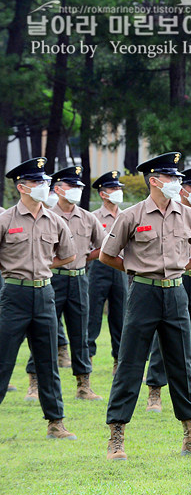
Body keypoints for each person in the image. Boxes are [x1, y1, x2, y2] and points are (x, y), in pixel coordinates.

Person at [100, 152, 191, 461]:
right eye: (172, 178)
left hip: (176, 293)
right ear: (154, 181)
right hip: (143, 293)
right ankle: (116, 436)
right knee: (131, 362)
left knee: (181, 363)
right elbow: (107, 255)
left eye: (177, 178)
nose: (178, 183)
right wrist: (136, 270)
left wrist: (181, 268)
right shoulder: (131, 216)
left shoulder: (189, 215)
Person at [0, 157, 78, 439]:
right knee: (3, 359)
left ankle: (56, 422)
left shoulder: (54, 220)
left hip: (45, 293)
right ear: (22, 187)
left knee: (48, 361)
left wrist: (43, 268)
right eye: (37, 182)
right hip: (14, 294)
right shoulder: (6, 220)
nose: (44, 186)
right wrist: (13, 272)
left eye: (44, 181)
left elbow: (69, 255)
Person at [24, 166, 104, 401]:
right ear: (57, 189)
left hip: (79, 279)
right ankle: (34, 382)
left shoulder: (87, 218)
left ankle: (83, 385)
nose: (77, 190)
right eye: (72, 186)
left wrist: (81, 258)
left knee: (80, 332)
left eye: (79, 186)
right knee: (42, 331)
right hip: (52, 278)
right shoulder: (45, 215)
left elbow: (103, 247)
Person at [144, 166, 191, 412]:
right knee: (162, 335)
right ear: (183, 190)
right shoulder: (171, 213)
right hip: (174, 281)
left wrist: (185, 265)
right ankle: (155, 390)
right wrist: (177, 269)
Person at [87, 171, 128, 378]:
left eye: (119, 188)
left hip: (120, 269)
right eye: (113, 189)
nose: (118, 192)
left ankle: (118, 361)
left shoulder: (126, 215)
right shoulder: (93, 217)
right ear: (103, 194)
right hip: (98, 268)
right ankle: (88, 359)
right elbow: (87, 247)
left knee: (120, 316)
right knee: (92, 315)